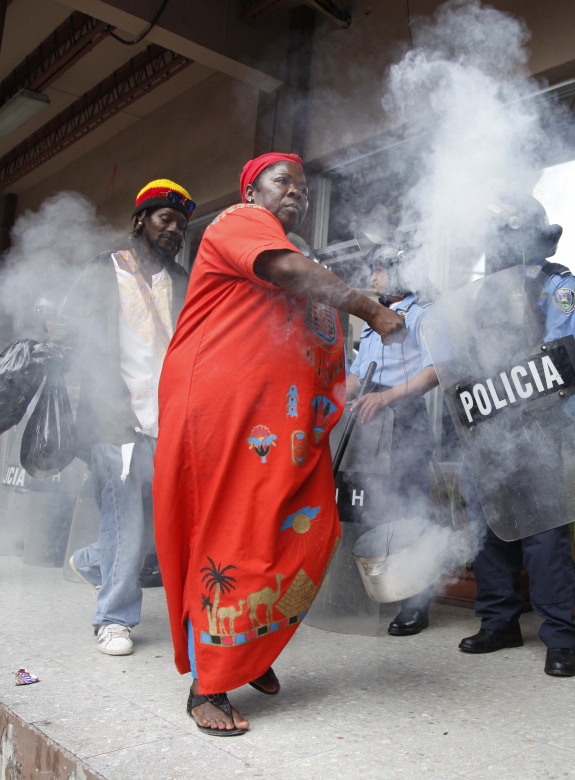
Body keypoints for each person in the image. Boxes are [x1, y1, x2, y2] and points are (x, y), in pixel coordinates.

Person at [151, 153, 405, 736]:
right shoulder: (237, 224)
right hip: (223, 414)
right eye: (281, 182)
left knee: (312, 527)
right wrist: (368, 308)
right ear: (251, 190)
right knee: (234, 531)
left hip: (277, 428)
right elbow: (290, 274)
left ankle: (252, 652)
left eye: (303, 187)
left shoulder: (291, 253)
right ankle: (209, 685)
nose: (296, 192)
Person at [454, 194, 575, 679]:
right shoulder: (481, 293)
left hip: (536, 425)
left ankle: (560, 635)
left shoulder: (558, 285)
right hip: (487, 426)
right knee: (489, 529)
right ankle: (499, 621)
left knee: (543, 534)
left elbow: (564, 353)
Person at [60, 179, 194, 657]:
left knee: (162, 527)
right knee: (128, 521)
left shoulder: (182, 280)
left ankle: (92, 560)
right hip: (113, 417)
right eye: (165, 219)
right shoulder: (105, 269)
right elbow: (71, 331)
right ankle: (113, 618)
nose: (174, 229)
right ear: (141, 220)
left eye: (181, 223)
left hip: (168, 420)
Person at [343, 242, 440, 637]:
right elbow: (355, 375)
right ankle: (385, 588)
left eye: (380, 270)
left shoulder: (423, 315)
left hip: (405, 417)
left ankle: (416, 602)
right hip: (372, 420)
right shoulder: (373, 322)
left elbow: (435, 370)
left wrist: (387, 396)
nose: (373, 278)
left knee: (409, 508)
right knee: (379, 507)